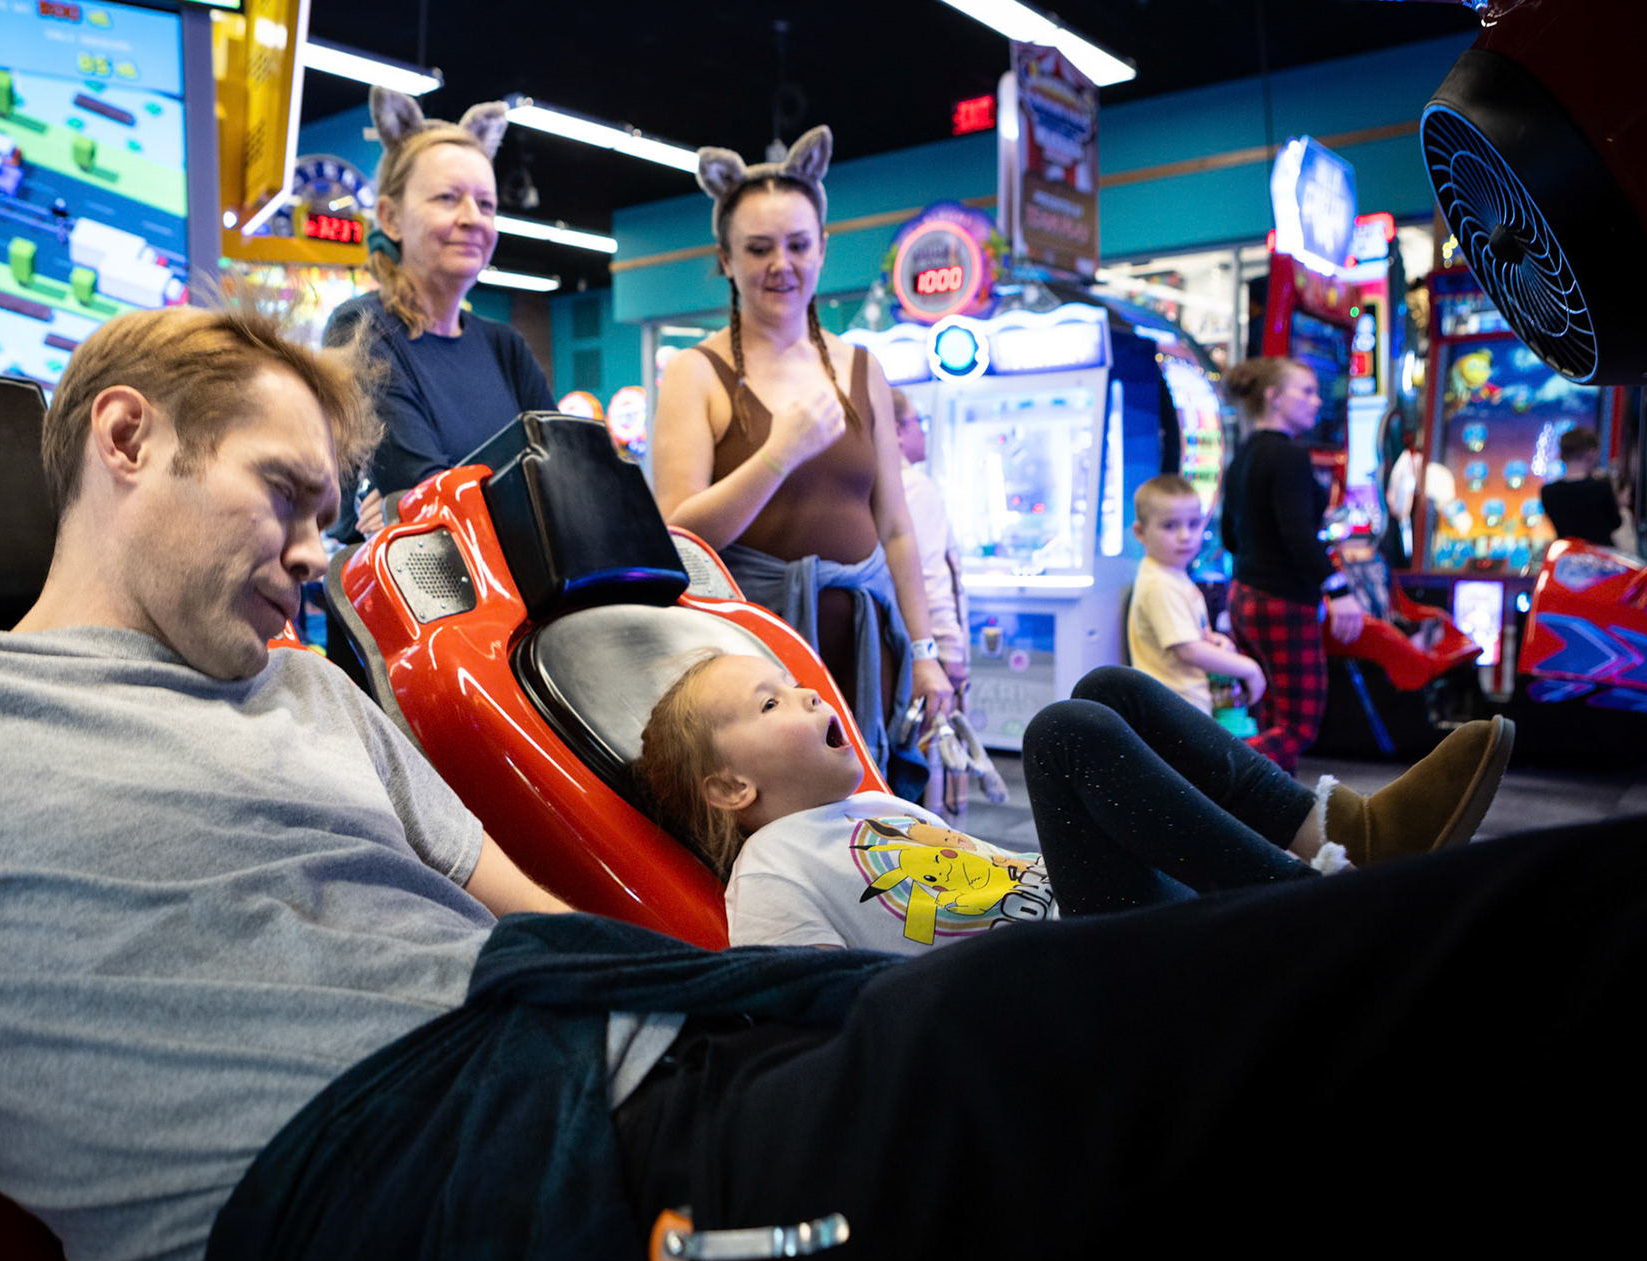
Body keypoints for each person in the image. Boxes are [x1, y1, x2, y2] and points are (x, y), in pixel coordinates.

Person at [0, 304, 1645, 1261]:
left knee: (1111, 1015)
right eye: (286, 498)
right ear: (127, 438)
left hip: (633, 1059)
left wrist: (776, 967)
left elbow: (516, 912)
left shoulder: (308, 691)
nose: (315, 554)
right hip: (456, 1184)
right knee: (1218, 1034)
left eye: (328, 511)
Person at [638, 652, 1514, 951]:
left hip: (1085, 920)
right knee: (1062, 733)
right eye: (771, 703)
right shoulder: (773, 869)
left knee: (1107, 691)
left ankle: (1344, 834)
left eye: (794, 684)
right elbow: (810, 1012)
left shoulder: (879, 807)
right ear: (731, 787)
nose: (808, 694)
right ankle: (1321, 914)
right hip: (1063, 985)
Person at [650, 126, 953, 792]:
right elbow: (679, 533)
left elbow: (897, 528)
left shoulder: (862, 367)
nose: (780, 264)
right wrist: (779, 453)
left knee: (877, 817)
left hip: (865, 650)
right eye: (758, 248)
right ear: (726, 258)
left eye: (797, 244)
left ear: (823, 248)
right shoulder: (696, 373)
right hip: (752, 661)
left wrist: (926, 651)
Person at [322, 87, 554, 539]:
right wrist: (424, 500)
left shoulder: (504, 346)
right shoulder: (362, 330)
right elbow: (429, 494)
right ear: (391, 218)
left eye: (485, 204)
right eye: (448, 198)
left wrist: (417, 502)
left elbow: (567, 474)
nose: (472, 218)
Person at [1219, 357, 1364, 772]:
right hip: (1282, 600)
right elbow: (1298, 534)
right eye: (1306, 391)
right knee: (1298, 726)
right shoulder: (1289, 457)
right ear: (1273, 396)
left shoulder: (1244, 454)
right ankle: (1214, 773)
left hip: (1244, 596)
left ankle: (1268, 808)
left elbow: (1230, 535)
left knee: (1268, 717)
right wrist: (1337, 589)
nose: (1316, 401)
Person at [891, 387, 970, 812]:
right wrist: (950, 652)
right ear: (896, 431)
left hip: (901, 646)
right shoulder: (915, 487)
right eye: (916, 422)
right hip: (928, 651)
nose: (922, 432)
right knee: (932, 761)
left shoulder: (882, 487)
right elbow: (929, 576)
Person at [1128, 474, 1265, 715]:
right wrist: (1249, 669)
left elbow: (1189, 638)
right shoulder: (1160, 584)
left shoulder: (1171, 575)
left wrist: (1212, 642)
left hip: (1183, 705)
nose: (1185, 536)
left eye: (1193, 524)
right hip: (1175, 708)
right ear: (1140, 532)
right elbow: (1187, 650)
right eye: (1170, 526)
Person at [1541, 426, 1623, 548]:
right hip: (1599, 554)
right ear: (1591, 453)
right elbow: (1616, 523)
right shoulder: (1601, 487)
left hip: (1567, 553)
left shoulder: (1547, 492)